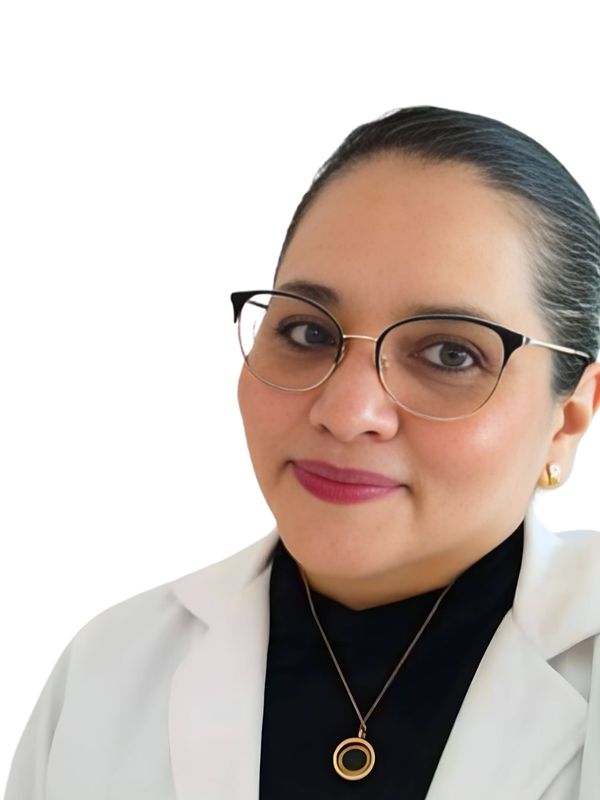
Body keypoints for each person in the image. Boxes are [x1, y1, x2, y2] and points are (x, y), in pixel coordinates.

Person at [5, 106, 600, 800]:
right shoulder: (107, 673)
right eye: (309, 333)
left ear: (568, 419)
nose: (346, 414)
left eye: (449, 354)